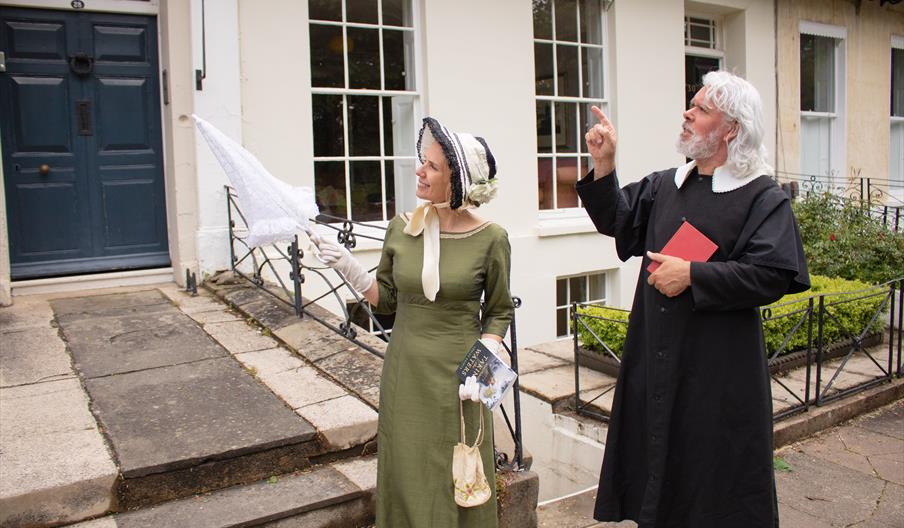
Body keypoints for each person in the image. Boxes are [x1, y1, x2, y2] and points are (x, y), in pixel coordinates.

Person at [578, 71, 810, 527]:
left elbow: (774, 274)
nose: (687, 112)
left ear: (731, 129)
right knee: (659, 473)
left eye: (701, 109)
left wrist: (694, 275)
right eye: (692, 103)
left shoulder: (762, 196)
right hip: (657, 359)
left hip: (717, 375)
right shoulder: (668, 184)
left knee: (710, 483)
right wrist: (605, 166)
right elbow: (620, 223)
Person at [312, 117, 513, 527]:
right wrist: (347, 265)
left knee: (458, 473)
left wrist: (486, 354)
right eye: (422, 161)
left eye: (433, 166)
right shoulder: (401, 228)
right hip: (405, 375)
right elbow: (385, 300)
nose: (419, 170)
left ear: (457, 181)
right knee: (407, 471)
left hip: (463, 383)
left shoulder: (492, 238)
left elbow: (498, 310)